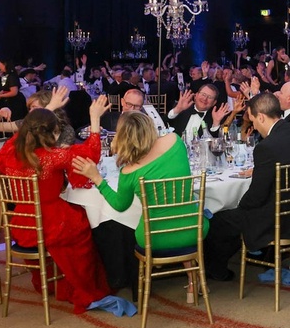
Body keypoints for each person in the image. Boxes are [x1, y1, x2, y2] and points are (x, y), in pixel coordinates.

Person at [0, 96, 113, 313]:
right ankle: (81, 283)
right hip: (50, 222)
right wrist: (94, 121)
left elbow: (14, 142)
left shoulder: (10, 153)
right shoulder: (52, 157)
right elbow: (89, 157)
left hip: (23, 225)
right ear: (50, 133)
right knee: (84, 227)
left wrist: (46, 110)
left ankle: (51, 281)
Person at [72, 110, 206, 295]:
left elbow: (120, 205)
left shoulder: (129, 171)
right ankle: (193, 281)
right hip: (193, 229)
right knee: (176, 212)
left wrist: (97, 179)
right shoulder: (175, 141)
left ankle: (137, 282)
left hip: (154, 238)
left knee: (150, 222)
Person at [203, 92, 290, 281]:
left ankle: (215, 270)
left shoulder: (267, 147)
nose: (254, 126)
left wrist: (236, 206)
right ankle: (251, 253)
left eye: (253, 120)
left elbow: (257, 196)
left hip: (280, 219)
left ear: (261, 117)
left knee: (219, 219)